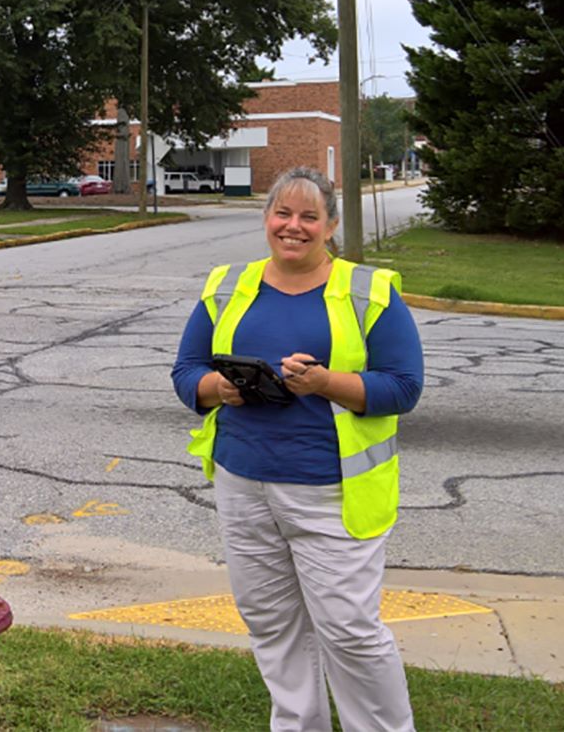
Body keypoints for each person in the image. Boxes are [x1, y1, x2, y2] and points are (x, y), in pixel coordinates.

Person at [174, 166, 423, 732]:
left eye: (309, 216)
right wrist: (218, 388)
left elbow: (403, 388)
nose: (293, 226)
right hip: (243, 484)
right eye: (282, 214)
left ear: (331, 224)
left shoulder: (370, 292)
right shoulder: (226, 285)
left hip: (331, 491)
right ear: (266, 220)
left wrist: (325, 383)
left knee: (350, 632)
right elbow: (187, 370)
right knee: (272, 623)